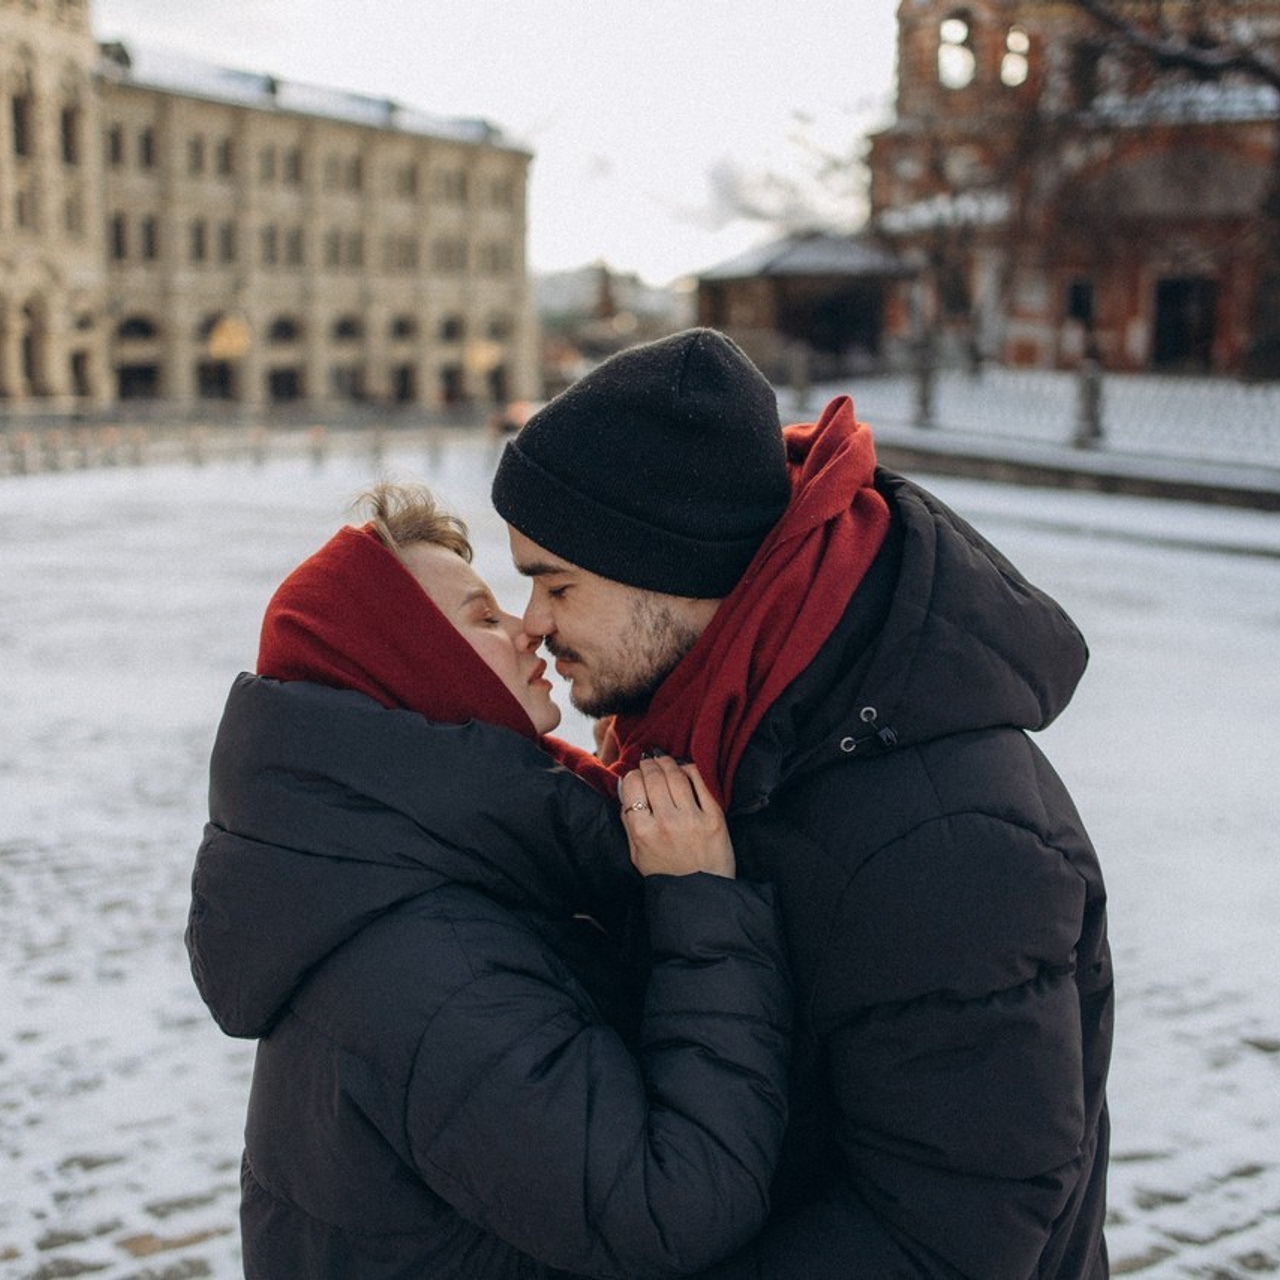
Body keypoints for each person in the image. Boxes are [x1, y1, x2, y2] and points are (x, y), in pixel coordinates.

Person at [492, 328, 1113, 1278]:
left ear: (672, 568)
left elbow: (951, 1234)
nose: (531, 623)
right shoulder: (719, 733)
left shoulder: (944, 836)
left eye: (556, 584)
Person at [185, 482, 792, 1278]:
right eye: (482, 618)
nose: (528, 630)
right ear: (409, 668)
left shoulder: (401, 880)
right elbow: (672, 1206)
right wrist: (702, 910)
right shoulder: (428, 971)